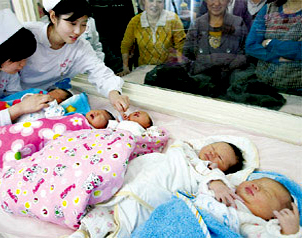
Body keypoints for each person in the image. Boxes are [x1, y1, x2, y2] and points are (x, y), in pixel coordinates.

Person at [67, 135, 258, 237]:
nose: (212, 154)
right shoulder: (184, 151)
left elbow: (213, 181)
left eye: (220, 157)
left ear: (224, 170)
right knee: (103, 212)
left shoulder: (207, 171)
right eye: (213, 148)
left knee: (126, 220)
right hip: (140, 178)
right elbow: (176, 149)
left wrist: (217, 182)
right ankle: (83, 232)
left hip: (150, 195)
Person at [16, 0, 130, 117]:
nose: (78, 31)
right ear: (53, 17)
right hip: (17, 98)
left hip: (50, 99)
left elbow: (99, 72)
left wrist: (114, 93)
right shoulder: (28, 35)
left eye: (83, 24)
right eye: (72, 23)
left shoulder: (80, 46)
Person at [132, 171, 302, 237]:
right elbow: (205, 180)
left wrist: (290, 232)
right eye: (259, 182)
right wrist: (216, 183)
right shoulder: (228, 188)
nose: (257, 186)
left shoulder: (254, 223)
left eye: (267, 193)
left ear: (272, 215)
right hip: (180, 214)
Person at [0, 9, 54, 131]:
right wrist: (19, 109)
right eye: (19, 60)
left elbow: (13, 97)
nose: (23, 65)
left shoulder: (8, 71)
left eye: (25, 59)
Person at [182, 0, 248, 96]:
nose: (216, 3)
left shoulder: (238, 23)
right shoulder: (197, 24)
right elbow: (186, 56)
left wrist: (206, 60)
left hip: (232, 89)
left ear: (228, 1)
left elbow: (246, 56)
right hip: (201, 88)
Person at [245, 0, 302, 95]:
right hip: (262, 84)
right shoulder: (268, 9)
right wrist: (276, 58)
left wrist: (269, 43)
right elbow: (251, 46)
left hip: (296, 90)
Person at [117, 0, 186, 76]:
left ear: (163, 3)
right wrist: (125, 68)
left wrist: (179, 69)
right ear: (143, 2)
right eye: (151, 1)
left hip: (168, 70)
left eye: (159, 1)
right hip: (143, 69)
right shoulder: (135, 21)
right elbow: (126, 45)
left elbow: (181, 47)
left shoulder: (173, 19)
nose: (155, 5)